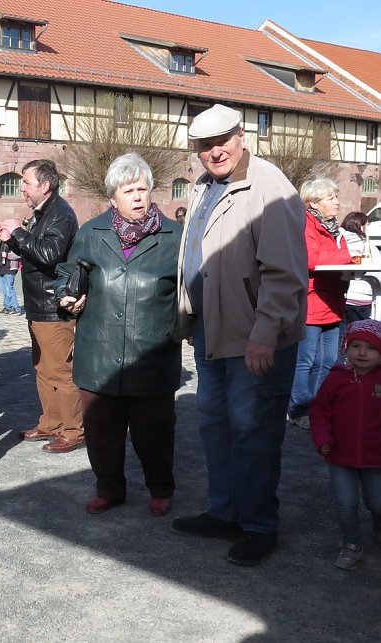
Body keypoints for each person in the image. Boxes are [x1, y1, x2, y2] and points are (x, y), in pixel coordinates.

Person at [172, 104, 308, 566]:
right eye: (204, 145)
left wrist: (264, 333)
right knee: (216, 425)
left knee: (254, 431)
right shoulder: (206, 185)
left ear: (241, 136)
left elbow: (285, 273)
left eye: (221, 141)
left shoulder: (270, 187)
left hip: (255, 333)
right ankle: (226, 510)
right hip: (213, 329)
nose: (214, 151)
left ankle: (258, 526)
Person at [56, 153, 181, 517]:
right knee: (102, 433)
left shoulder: (175, 237)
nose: (138, 197)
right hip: (99, 352)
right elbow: (68, 272)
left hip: (152, 352)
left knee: (154, 433)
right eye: (128, 190)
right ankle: (108, 488)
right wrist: (67, 295)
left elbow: (193, 290)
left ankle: (160, 487)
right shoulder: (91, 233)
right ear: (113, 197)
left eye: (142, 189)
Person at [0, 159, 83, 453]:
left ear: (45, 185)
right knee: (43, 368)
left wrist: (19, 232)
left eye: (27, 182)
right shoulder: (45, 212)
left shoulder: (60, 213)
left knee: (60, 372)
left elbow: (51, 255)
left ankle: (73, 430)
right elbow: (37, 252)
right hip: (39, 305)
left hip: (53, 307)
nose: (22, 188)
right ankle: (51, 423)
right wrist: (12, 240)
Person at [310, 319, 381, 571]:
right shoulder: (336, 378)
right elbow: (319, 411)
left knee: (377, 502)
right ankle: (351, 543)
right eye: (356, 346)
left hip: (376, 459)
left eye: (371, 348)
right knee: (346, 503)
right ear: (346, 348)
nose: (362, 353)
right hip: (340, 455)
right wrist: (323, 438)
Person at [286, 177, 351, 429]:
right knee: (306, 361)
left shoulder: (334, 228)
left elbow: (337, 258)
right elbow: (312, 258)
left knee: (330, 361)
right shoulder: (306, 223)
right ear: (313, 202)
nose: (337, 202)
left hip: (333, 302)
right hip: (312, 303)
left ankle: (319, 406)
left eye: (336, 196)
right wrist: (346, 256)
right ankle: (299, 409)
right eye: (331, 197)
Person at [339, 211, 379, 325]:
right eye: (367, 225)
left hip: (342, 296)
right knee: (359, 335)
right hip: (362, 297)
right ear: (360, 226)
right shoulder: (367, 246)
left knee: (342, 337)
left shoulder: (339, 242)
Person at [0, 241, 23, 314]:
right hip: (2, 268)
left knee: (9, 288)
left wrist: (7, 255)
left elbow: (19, 254)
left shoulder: (13, 241)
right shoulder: (2, 242)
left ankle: (16, 308)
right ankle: (7, 306)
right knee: (4, 289)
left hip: (10, 268)